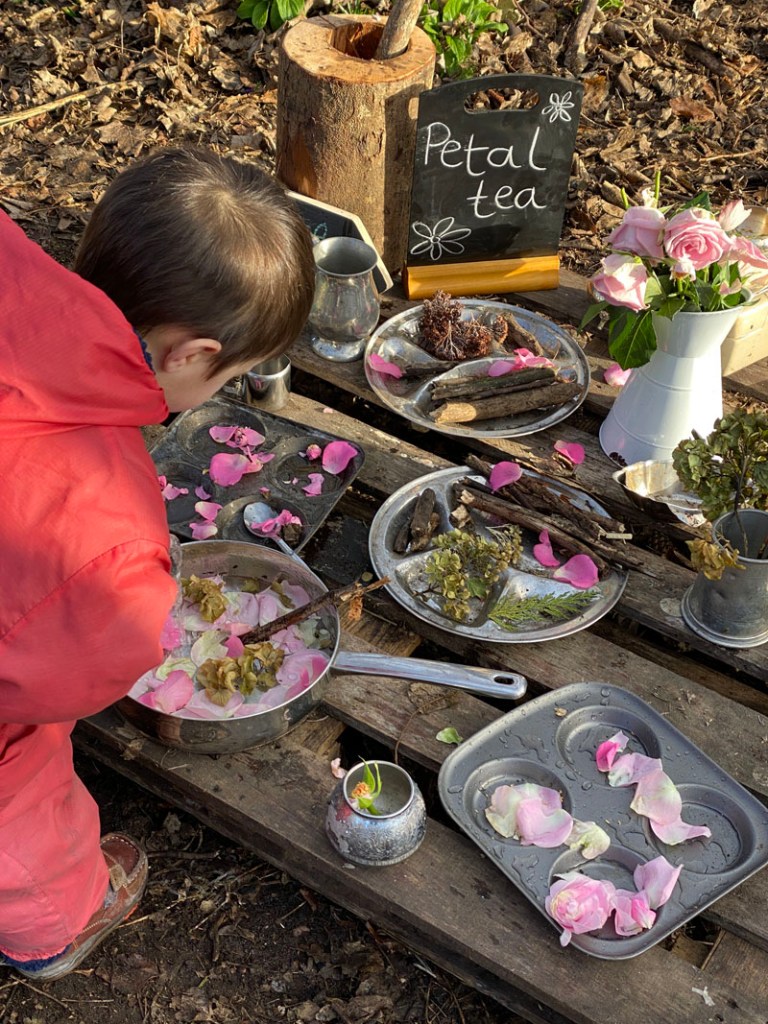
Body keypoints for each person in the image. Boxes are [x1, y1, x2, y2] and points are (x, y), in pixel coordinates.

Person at [0, 147, 315, 979]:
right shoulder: (98, 531)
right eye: (232, 375)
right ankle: (51, 929)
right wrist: (136, 598)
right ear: (188, 354)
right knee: (16, 783)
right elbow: (79, 669)